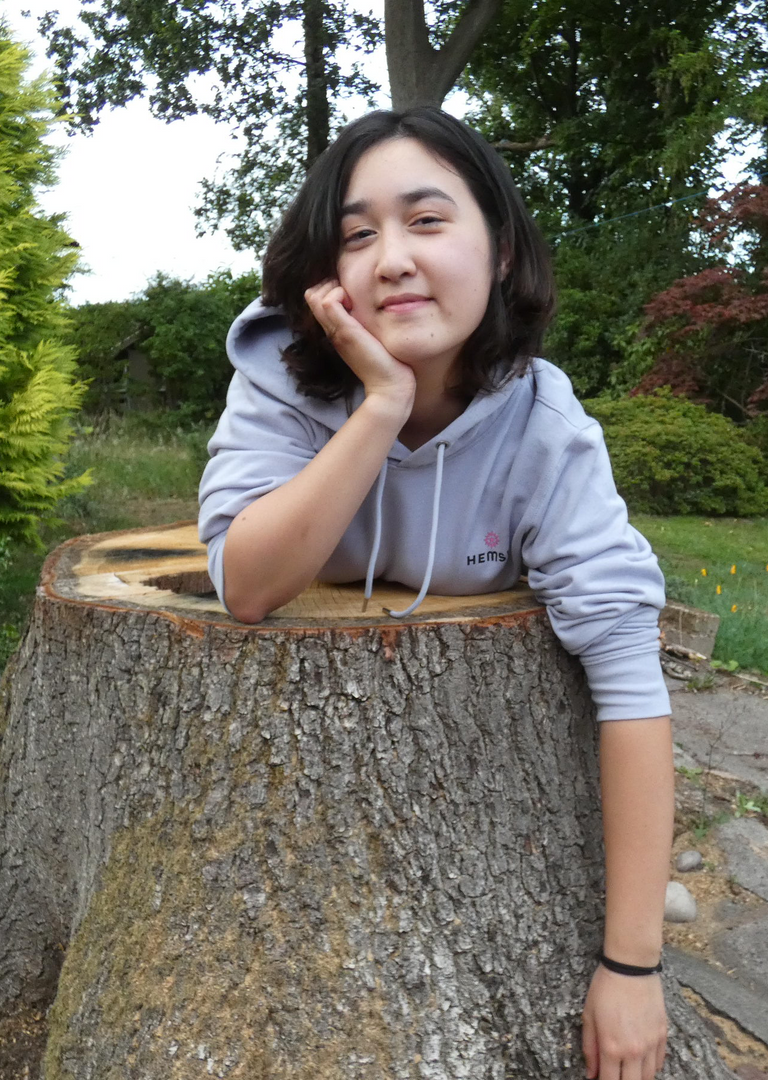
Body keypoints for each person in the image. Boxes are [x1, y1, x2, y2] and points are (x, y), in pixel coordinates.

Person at [198, 107, 674, 1080]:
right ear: (327, 277)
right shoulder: (279, 380)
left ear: (498, 250)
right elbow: (248, 583)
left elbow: (630, 676)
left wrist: (632, 964)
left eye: (427, 220)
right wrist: (381, 406)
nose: (393, 259)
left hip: (502, 813)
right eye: (358, 235)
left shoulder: (545, 425)